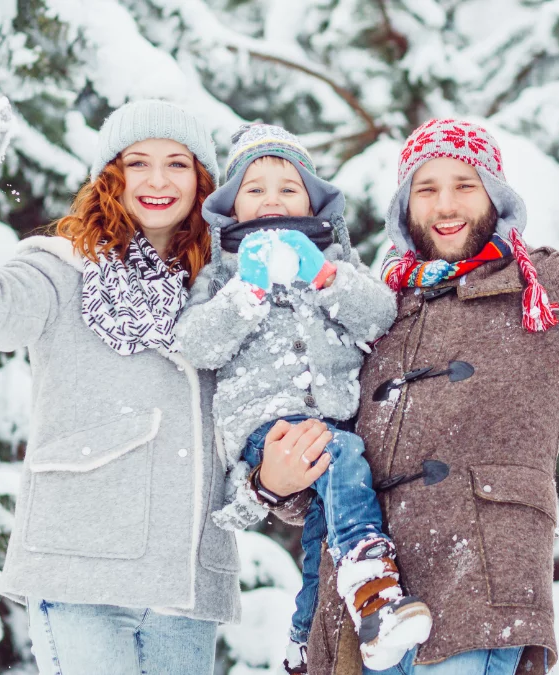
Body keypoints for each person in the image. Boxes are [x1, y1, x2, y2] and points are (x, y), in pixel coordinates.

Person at [253, 120, 559, 675]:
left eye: (465, 184)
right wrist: (275, 481)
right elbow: (330, 472)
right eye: (426, 188)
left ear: (495, 192)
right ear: (403, 207)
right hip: (363, 622)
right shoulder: (374, 306)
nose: (445, 205)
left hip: (480, 598)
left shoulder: (552, 288)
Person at [0, 93, 241, 675]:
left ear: (202, 180)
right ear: (110, 176)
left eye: (177, 164)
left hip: (185, 587)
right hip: (81, 571)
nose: (157, 180)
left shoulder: (228, 288)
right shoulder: (62, 270)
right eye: (137, 162)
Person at [175, 124, 430, 673]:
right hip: (268, 427)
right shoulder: (221, 271)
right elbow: (198, 344)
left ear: (314, 201)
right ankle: (373, 586)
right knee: (340, 456)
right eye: (255, 188)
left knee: (320, 546)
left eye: (288, 188)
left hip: (336, 418)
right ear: (232, 207)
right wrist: (248, 290)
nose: (272, 199)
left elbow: (378, 315)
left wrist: (326, 277)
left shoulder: (335, 257)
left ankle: (301, 644)